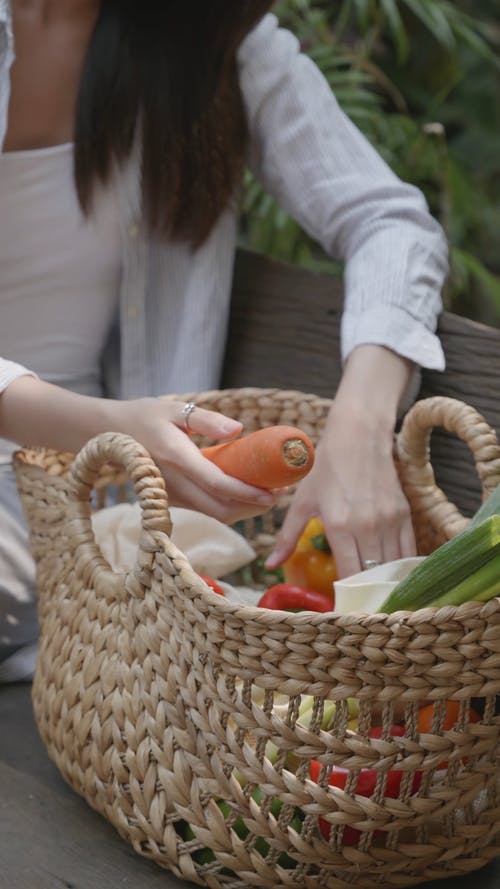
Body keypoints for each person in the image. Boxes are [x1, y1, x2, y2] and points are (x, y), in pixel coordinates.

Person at [0, 0, 448, 681]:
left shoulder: (204, 37)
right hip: (83, 483)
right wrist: (116, 426)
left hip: (79, 509)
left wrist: (359, 427)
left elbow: (388, 223)